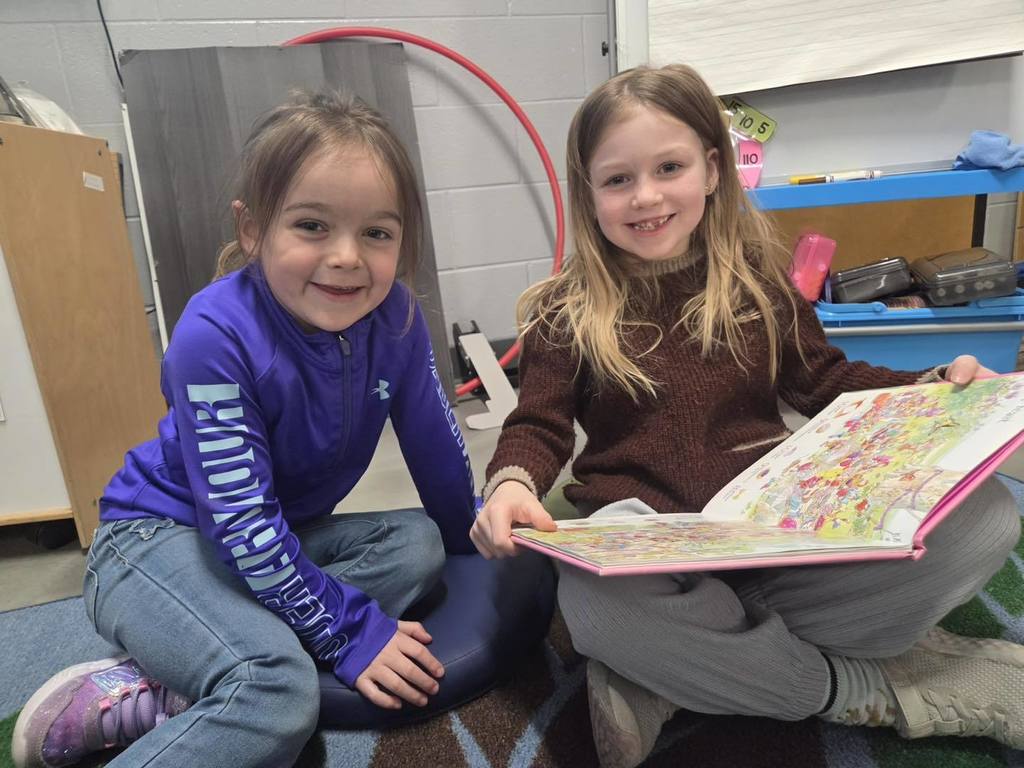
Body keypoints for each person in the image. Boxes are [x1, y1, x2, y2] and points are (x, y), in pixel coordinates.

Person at [470, 64, 1023, 768]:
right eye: (617, 180)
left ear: (709, 169)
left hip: (774, 537)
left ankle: (674, 676)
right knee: (591, 603)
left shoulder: (758, 280)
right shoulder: (562, 311)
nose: (645, 197)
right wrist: (513, 483)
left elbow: (828, 381)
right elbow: (537, 424)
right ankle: (860, 688)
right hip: (651, 551)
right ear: (589, 193)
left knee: (986, 519)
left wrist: (934, 386)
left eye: (668, 168)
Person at [14, 90, 477, 768]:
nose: (347, 257)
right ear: (254, 229)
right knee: (277, 690)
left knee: (419, 544)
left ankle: (188, 673)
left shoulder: (397, 317)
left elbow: (435, 441)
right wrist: (348, 633)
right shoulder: (214, 335)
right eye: (312, 226)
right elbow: (243, 527)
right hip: (152, 543)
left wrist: (474, 535)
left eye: (377, 233)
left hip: (272, 536)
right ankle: (225, 665)